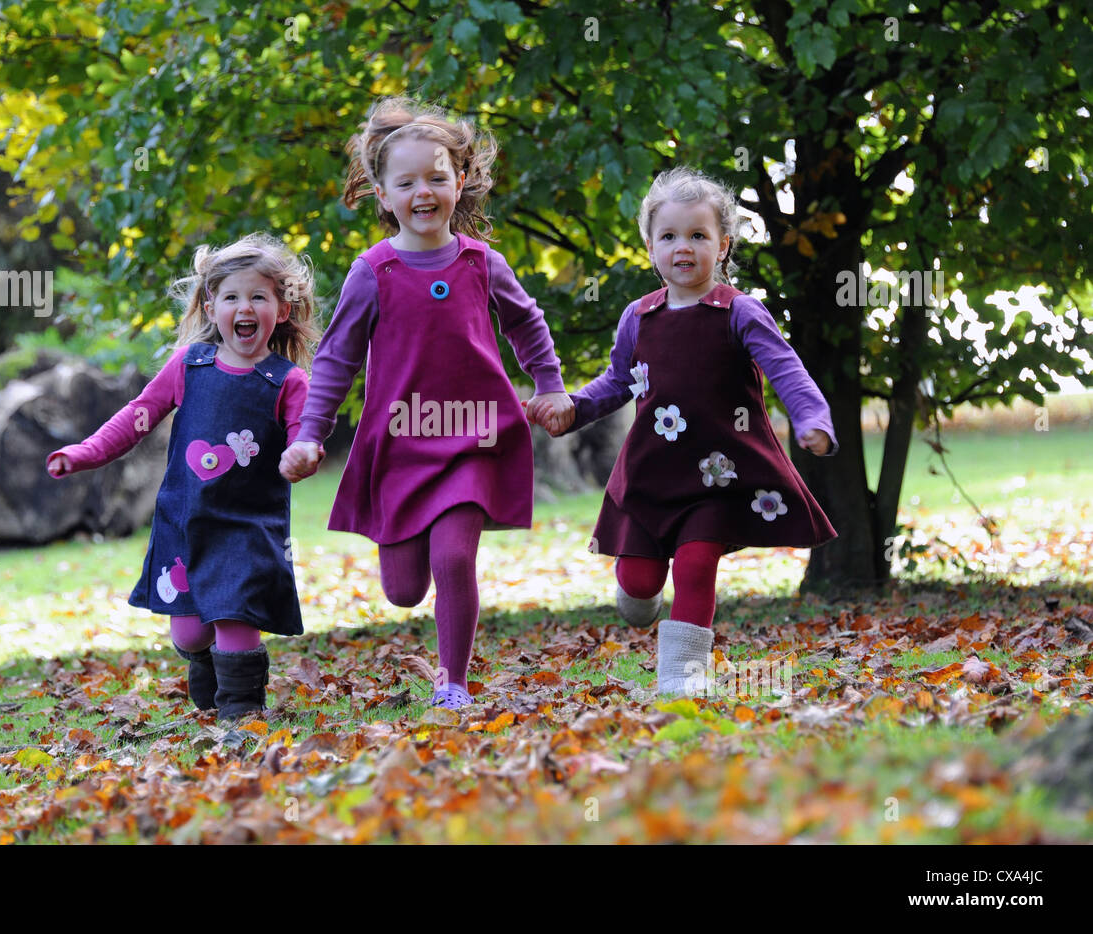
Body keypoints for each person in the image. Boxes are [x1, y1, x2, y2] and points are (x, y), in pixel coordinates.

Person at [280, 97, 573, 709]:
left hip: (474, 436)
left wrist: (548, 385)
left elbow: (527, 323)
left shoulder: (481, 261)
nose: (423, 191)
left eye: (437, 177)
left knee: (454, 555)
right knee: (405, 590)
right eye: (406, 181)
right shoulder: (374, 272)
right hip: (401, 444)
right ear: (383, 196)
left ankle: (454, 682)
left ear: (459, 183)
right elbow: (336, 358)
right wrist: (311, 433)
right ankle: (432, 637)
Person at [551, 166, 837, 695]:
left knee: (697, 565)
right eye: (669, 236)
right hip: (651, 474)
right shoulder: (639, 317)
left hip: (716, 476)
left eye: (698, 236)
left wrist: (812, 418)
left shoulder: (740, 312)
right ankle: (642, 597)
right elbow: (617, 382)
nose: (683, 248)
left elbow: (786, 369)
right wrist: (573, 408)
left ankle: (682, 683)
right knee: (638, 584)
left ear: (723, 246)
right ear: (650, 247)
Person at [46, 233, 318, 721]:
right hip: (187, 525)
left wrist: (303, 453)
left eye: (259, 296)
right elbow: (136, 417)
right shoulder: (188, 367)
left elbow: (306, 432)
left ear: (282, 308)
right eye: (232, 297)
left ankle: (242, 715)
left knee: (237, 617)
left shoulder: (287, 381)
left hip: (249, 529)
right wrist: (84, 453)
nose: (245, 307)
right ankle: (203, 665)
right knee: (191, 631)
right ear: (211, 308)